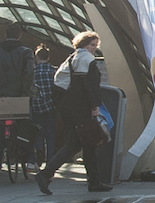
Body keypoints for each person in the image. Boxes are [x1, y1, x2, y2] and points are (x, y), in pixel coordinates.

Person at [39, 31, 112, 193]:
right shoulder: (87, 59)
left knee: (89, 143)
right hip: (80, 109)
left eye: (95, 46)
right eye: (92, 45)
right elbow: (89, 86)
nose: (94, 48)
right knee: (76, 143)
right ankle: (46, 174)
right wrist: (95, 106)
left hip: (68, 107)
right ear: (84, 44)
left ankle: (94, 181)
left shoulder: (72, 58)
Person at [0, 27, 31, 174]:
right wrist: (25, 93)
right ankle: (28, 159)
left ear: (5, 35)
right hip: (19, 96)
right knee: (25, 128)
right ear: (19, 35)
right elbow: (29, 73)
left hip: (0, 96)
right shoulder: (26, 52)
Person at [28, 40, 60, 181]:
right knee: (50, 136)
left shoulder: (32, 72)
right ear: (48, 57)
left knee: (36, 134)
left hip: (36, 107)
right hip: (51, 107)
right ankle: (50, 162)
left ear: (37, 57)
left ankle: (37, 156)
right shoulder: (54, 71)